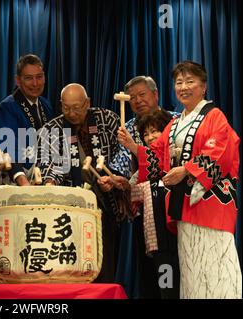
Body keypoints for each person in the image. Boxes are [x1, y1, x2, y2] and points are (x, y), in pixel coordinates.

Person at [118, 60, 242, 299]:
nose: (184, 87)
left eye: (190, 81)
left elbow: (221, 150)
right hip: (184, 206)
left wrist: (185, 170)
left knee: (216, 265)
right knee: (191, 268)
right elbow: (156, 155)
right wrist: (132, 146)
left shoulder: (215, 116)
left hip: (209, 204)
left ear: (203, 87)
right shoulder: (174, 124)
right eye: (179, 82)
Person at [35, 83, 124, 282]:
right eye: (66, 108)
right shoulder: (51, 129)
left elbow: (122, 155)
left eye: (76, 107)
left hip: (107, 202)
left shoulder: (107, 119)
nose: (71, 113)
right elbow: (48, 164)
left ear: (88, 103)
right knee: (75, 262)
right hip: (71, 209)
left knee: (106, 260)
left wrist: (115, 176)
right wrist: (49, 182)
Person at [109, 76, 179, 299]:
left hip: (177, 211)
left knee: (177, 268)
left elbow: (167, 160)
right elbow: (124, 170)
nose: (138, 101)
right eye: (132, 98)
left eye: (142, 95)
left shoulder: (176, 121)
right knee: (155, 269)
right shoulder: (126, 128)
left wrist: (134, 146)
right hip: (147, 214)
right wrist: (119, 181)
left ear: (155, 94)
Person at [127, 109, 180, 299]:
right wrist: (121, 184)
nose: (150, 137)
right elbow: (133, 189)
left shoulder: (177, 158)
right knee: (166, 287)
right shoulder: (143, 165)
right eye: (146, 134)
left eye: (155, 131)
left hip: (180, 232)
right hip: (159, 239)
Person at [0, 54, 53, 186]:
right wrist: (23, 182)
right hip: (17, 181)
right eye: (28, 78)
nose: (35, 83)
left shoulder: (46, 104)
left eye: (39, 77)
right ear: (18, 80)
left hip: (42, 179)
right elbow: (6, 148)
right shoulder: (8, 106)